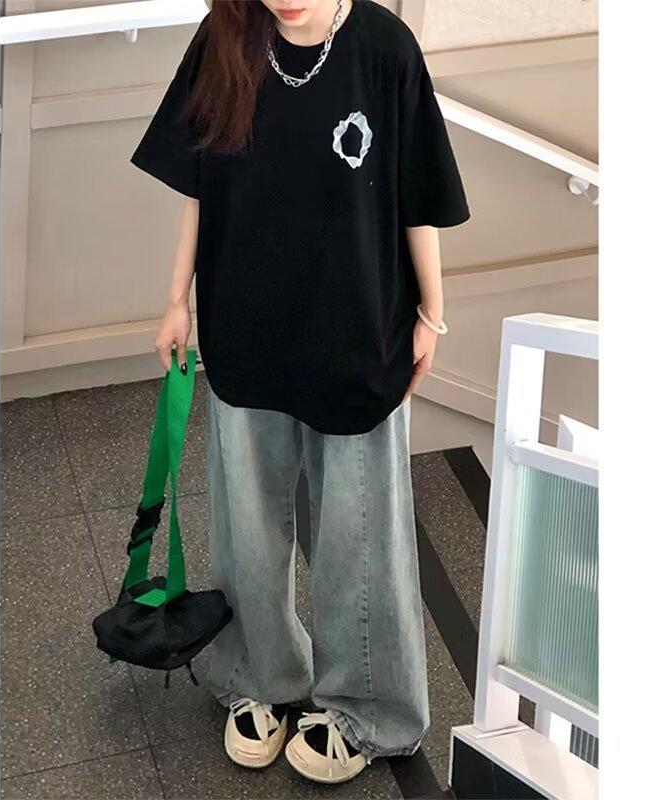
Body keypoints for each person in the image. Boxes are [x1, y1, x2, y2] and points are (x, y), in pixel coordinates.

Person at [131, 0, 469, 784]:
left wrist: (433, 311)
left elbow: (418, 190)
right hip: (245, 324)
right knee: (246, 522)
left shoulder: (384, 47)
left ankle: (370, 709)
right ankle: (260, 674)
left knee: (362, 533)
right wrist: (176, 300)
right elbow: (197, 183)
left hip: (359, 331)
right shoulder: (226, 39)